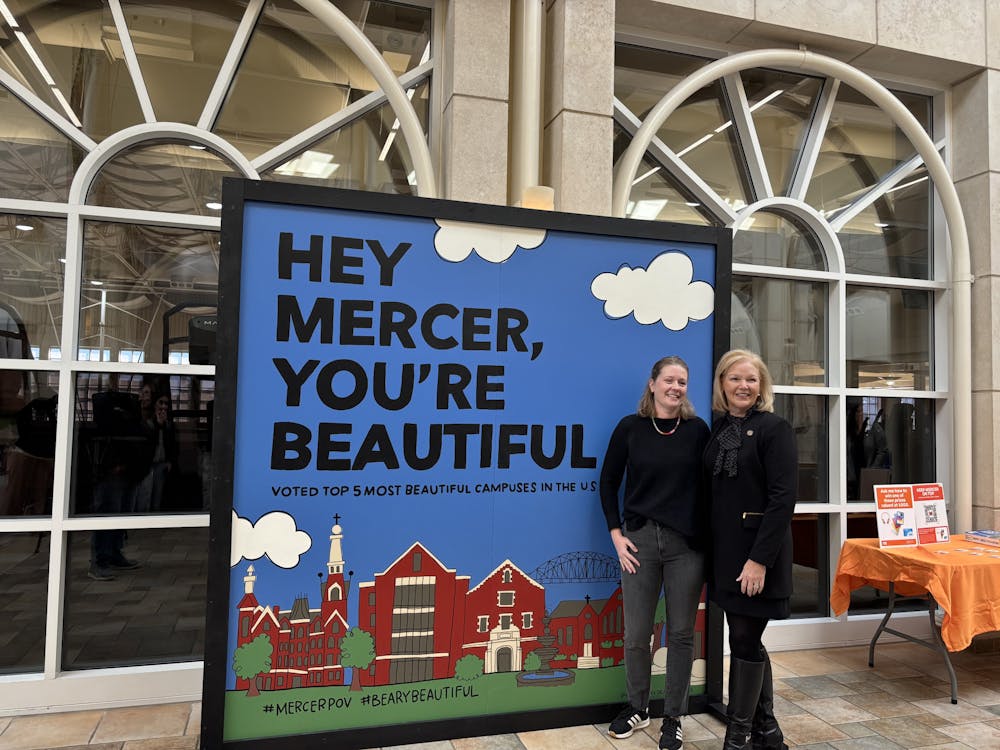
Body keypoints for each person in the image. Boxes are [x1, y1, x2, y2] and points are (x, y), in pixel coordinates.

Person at [600, 355, 710, 750]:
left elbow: (712, 490)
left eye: (682, 381)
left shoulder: (698, 432)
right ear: (652, 384)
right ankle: (637, 707)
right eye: (669, 380)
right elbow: (608, 482)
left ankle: (674, 717)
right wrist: (616, 534)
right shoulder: (630, 429)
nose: (676, 387)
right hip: (640, 543)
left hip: (686, 548)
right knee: (636, 634)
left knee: (680, 634)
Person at [704, 349, 796, 750]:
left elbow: (782, 499)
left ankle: (738, 736)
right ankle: (768, 731)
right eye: (735, 379)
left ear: (762, 387)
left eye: (752, 379)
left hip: (758, 557)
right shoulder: (718, 428)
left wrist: (759, 560)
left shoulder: (776, 429)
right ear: (722, 384)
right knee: (744, 640)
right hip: (725, 555)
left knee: (744, 638)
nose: (744, 386)